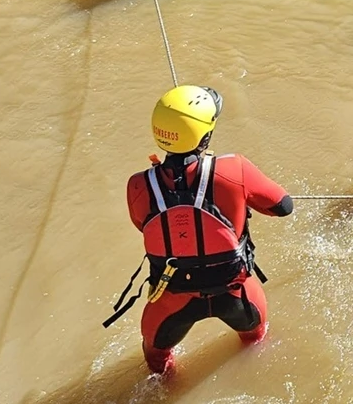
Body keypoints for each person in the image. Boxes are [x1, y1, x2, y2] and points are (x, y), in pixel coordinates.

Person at [102, 85, 294, 376]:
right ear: (206, 135)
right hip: (238, 295)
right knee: (256, 346)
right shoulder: (235, 169)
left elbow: (143, 224)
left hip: (171, 302)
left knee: (156, 366)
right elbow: (284, 206)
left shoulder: (138, 186)